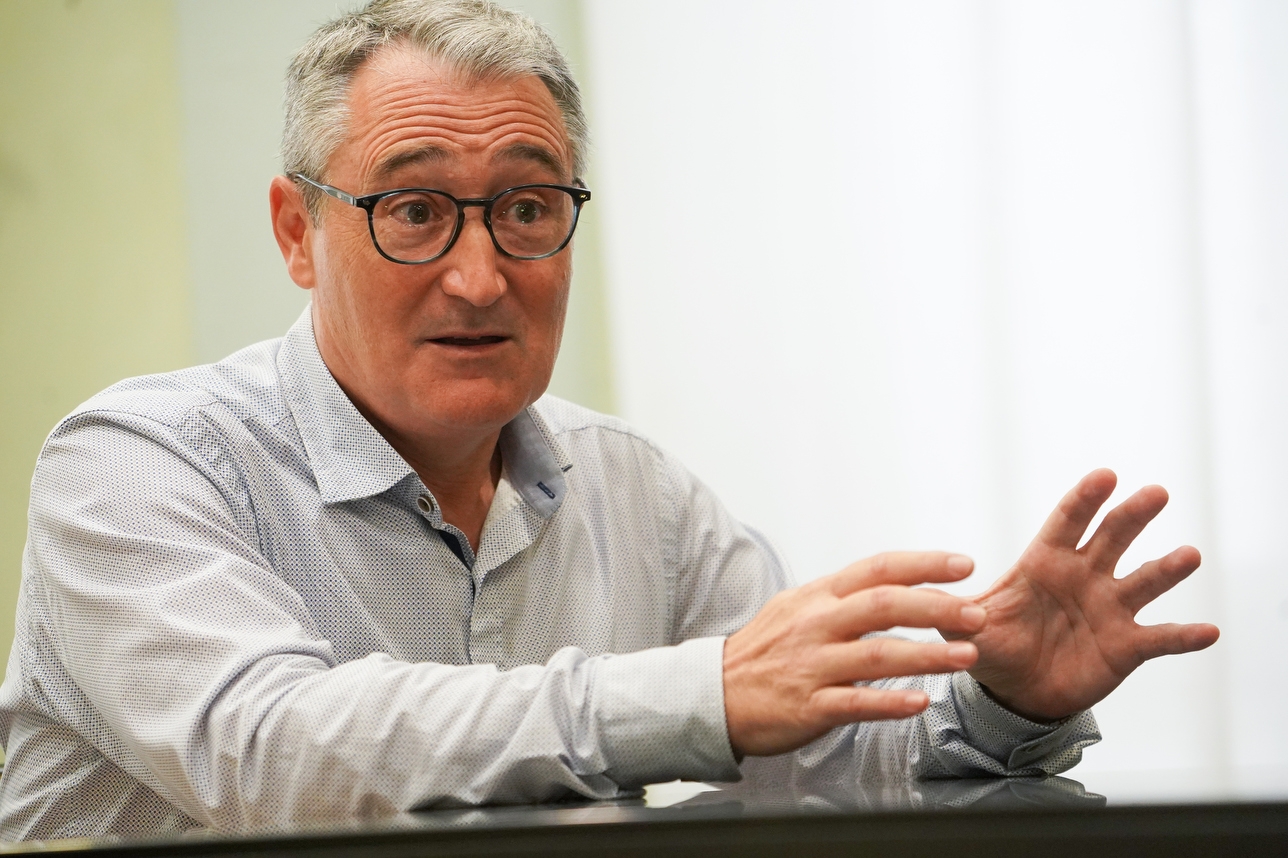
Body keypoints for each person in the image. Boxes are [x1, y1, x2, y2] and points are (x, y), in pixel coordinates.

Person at [0, 0, 1218, 841]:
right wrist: (696, 698)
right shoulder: (140, 463)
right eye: (415, 212)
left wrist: (1008, 706)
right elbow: (278, 760)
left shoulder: (635, 490)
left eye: (527, 209)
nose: (481, 276)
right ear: (296, 232)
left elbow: (824, 772)